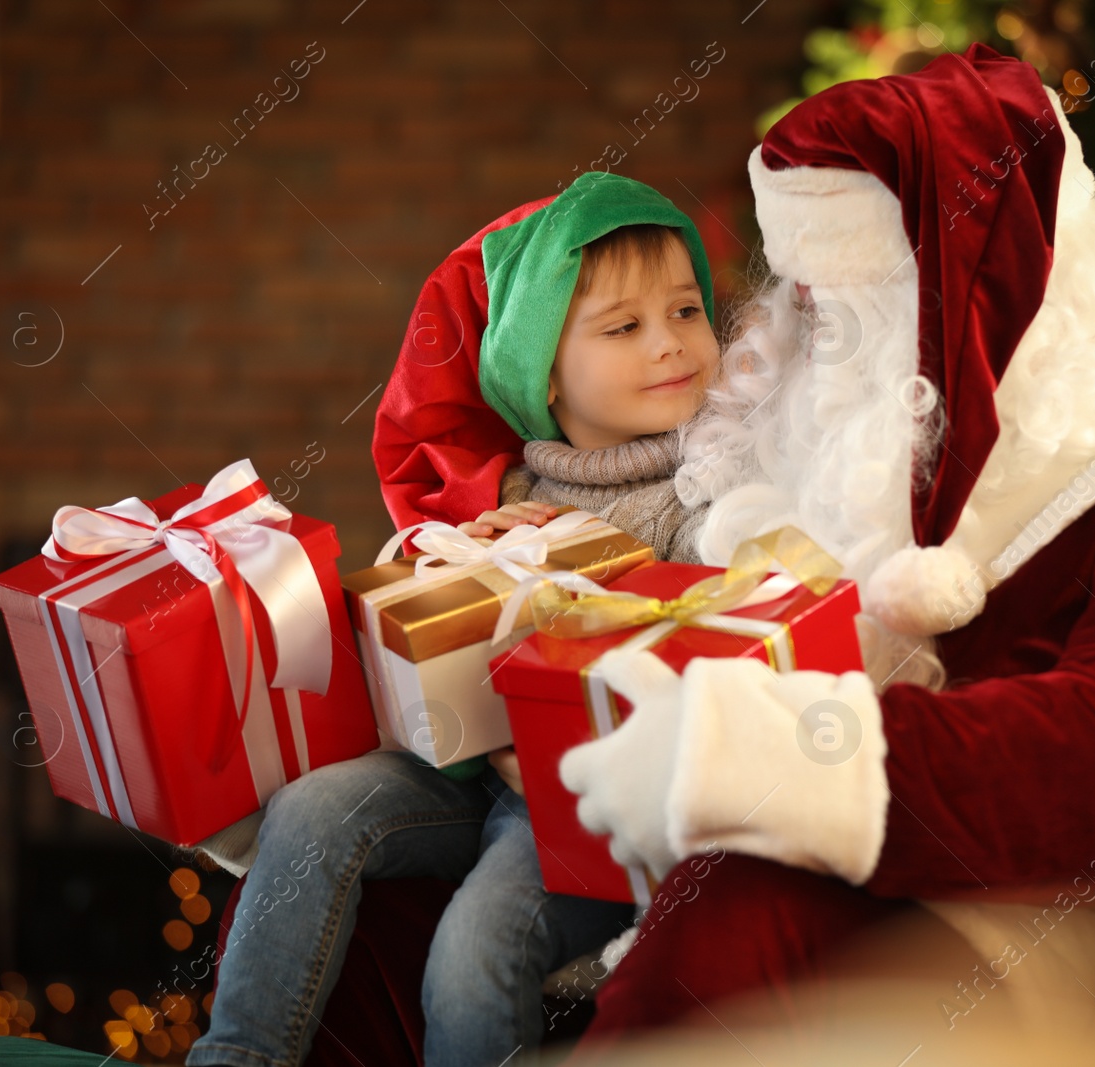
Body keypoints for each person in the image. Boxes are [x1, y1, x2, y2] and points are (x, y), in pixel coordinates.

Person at [316, 44, 1095, 1063]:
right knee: (337, 843)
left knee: (738, 916)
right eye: (812, 296)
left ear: (1014, 274)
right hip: (629, 818)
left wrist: (762, 756)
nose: (828, 339)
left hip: (996, 910)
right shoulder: (781, 441)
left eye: (875, 298)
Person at [186, 171, 720, 1067]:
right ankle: (235, 1058)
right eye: (625, 327)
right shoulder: (503, 497)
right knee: (313, 806)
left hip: (590, 805)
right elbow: (420, 655)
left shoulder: (712, 495)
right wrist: (459, 560)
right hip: (474, 771)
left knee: (475, 947)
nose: (670, 344)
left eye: (687, 310)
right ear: (540, 371)